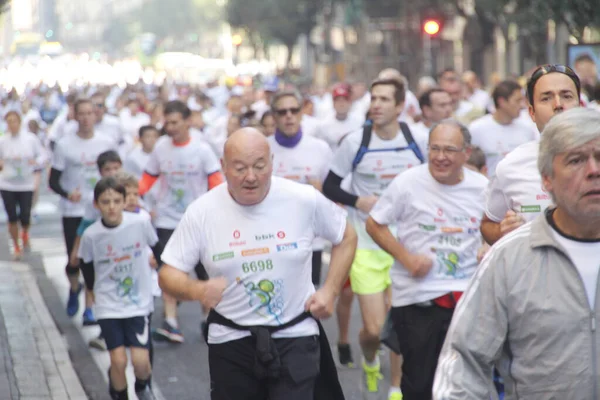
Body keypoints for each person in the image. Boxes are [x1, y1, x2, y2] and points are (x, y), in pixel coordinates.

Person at [157, 127, 355, 400]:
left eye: (259, 166)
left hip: (295, 334)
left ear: (272, 162)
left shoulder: (302, 198)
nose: (251, 177)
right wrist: (197, 290)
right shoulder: (202, 212)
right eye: (239, 168)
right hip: (231, 339)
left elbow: (346, 235)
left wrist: (330, 290)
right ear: (223, 167)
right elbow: (168, 273)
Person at [433, 107, 600, 399]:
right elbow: (463, 363)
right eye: (576, 160)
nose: (593, 170)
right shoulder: (510, 258)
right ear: (547, 179)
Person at [366, 120, 488, 399]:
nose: (440, 157)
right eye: (434, 149)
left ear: (465, 154)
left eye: (449, 150)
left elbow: (493, 228)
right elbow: (374, 224)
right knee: (420, 384)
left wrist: (486, 245)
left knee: (464, 383)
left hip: (466, 299)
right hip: (418, 299)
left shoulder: (482, 187)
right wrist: (406, 258)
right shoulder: (408, 182)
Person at [323, 78, 426, 398]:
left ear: (399, 106)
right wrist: (358, 201)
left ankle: (396, 388)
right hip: (367, 244)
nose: (376, 105)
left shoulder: (418, 139)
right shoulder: (355, 142)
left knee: (402, 325)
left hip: (406, 243)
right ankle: (369, 359)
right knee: (376, 330)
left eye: (384, 99)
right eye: (373, 98)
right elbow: (330, 186)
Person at [138, 100, 223, 343]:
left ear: (187, 121)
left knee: (204, 273)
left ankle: (208, 319)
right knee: (169, 270)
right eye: (167, 122)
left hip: (197, 220)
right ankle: (171, 322)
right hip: (167, 219)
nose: (171, 127)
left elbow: (216, 181)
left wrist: (217, 210)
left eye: (175, 122)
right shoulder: (161, 147)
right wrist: (135, 195)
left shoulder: (202, 148)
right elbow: (149, 177)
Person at [78, 177, 160, 400]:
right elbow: (85, 263)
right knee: (118, 360)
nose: (111, 207)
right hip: (108, 304)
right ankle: (119, 394)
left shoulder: (139, 224)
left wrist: (156, 265)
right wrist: (92, 290)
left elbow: (157, 247)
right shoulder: (91, 235)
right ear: (96, 204)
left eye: (116, 200)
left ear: (125, 201)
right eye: (105, 202)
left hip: (139, 302)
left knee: (141, 362)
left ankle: (142, 387)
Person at [480, 64, 582, 245]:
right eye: (546, 98)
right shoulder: (511, 166)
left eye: (566, 96)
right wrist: (502, 231)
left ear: (580, 105)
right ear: (532, 112)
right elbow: (489, 224)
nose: (558, 105)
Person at [49, 98, 116, 317]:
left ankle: (91, 307)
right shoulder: (65, 144)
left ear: (96, 115)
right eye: (82, 113)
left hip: (100, 210)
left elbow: (116, 174)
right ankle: (74, 287)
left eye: (90, 113)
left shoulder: (106, 142)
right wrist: (68, 194)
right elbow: (53, 181)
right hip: (73, 210)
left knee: (96, 261)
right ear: (75, 116)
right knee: (74, 260)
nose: (86, 118)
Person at [267, 90, 333, 286]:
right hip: (272, 239)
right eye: (282, 112)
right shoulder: (263, 148)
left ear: (301, 113)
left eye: (294, 110)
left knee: (310, 303)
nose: (289, 116)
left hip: (310, 241)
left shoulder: (320, 149)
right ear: (274, 116)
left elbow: (335, 194)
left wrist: (321, 192)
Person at [67, 150, 123, 329]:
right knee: (93, 274)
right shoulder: (97, 196)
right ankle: (89, 308)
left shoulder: (127, 191)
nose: (112, 173)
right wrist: (76, 250)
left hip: (122, 243)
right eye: (108, 169)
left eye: (116, 168)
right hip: (99, 243)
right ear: (100, 172)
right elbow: (85, 225)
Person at [0, 111, 46, 259]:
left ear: (20, 122)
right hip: (8, 183)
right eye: (9, 121)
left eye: (14, 121)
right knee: (12, 216)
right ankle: (16, 245)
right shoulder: (3, 141)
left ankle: (25, 232)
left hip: (26, 183)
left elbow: (42, 155)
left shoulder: (30, 139)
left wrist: (36, 162)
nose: (12, 124)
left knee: (25, 215)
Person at [469, 80, 538, 177]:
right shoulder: (477, 128)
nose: (522, 105)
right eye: (517, 101)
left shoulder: (527, 128)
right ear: (502, 102)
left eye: (522, 100)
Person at [315, 83, 365, 149]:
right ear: (333, 103)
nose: (341, 104)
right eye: (338, 100)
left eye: (345, 100)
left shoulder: (360, 122)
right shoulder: (323, 125)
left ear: (350, 102)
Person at [410, 88, 454, 153]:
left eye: (450, 104)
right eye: (442, 105)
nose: (448, 109)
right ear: (427, 110)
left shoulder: (458, 132)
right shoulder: (413, 134)